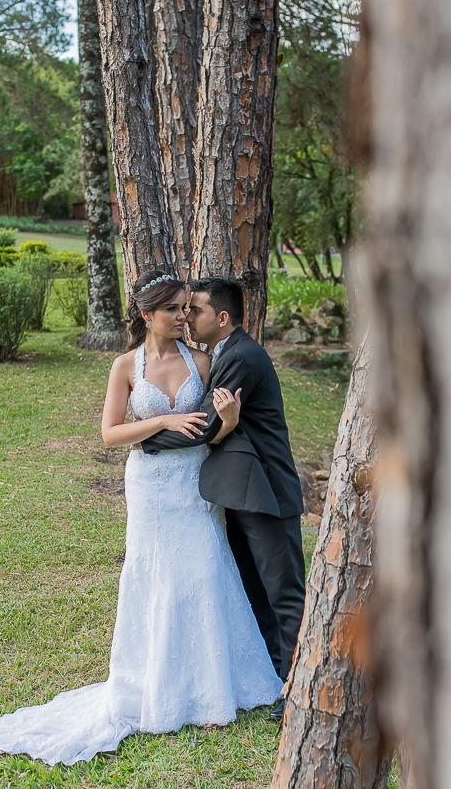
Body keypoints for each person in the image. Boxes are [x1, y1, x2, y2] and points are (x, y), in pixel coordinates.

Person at [0, 271, 282, 766]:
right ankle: (153, 685)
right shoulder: (124, 366)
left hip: (193, 485)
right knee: (154, 575)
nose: (182, 318)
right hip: (150, 487)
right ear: (148, 315)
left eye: (185, 309)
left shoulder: (202, 361)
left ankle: (212, 690)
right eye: (172, 309)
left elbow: (211, 432)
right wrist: (163, 420)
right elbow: (111, 433)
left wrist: (229, 424)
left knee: (201, 573)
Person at [140, 276, 306, 721]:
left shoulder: (242, 357)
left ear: (223, 318)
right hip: (241, 492)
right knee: (255, 588)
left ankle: (302, 689)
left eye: (195, 310)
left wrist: (150, 439)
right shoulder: (221, 355)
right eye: (183, 310)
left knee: (284, 594)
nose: (188, 317)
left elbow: (210, 427)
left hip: (268, 493)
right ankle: (278, 677)